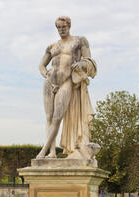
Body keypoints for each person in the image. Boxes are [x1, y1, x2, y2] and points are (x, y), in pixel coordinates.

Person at [37, 16, 97, 159]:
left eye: (63, 26)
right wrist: (46, 74)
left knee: (57, 117)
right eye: (58, 27)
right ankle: (51, 152)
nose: (61, 29)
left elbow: (89, 60)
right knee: (49, 117)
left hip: (67, 82)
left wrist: (82, 64)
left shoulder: (79, 41)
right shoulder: (52, 47)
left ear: (69, 26)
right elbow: (41, 65)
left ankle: (43, 151)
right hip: (50, 81)